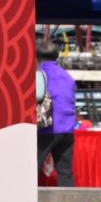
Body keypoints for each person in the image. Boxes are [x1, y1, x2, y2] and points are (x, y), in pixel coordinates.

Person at [38, 40, 78, 187]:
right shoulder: (67, 76)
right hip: (67, 128)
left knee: (32, 168)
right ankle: (70, 200)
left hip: (47, 128)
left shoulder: (40, 74)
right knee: (65, 172)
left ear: (36, 57)